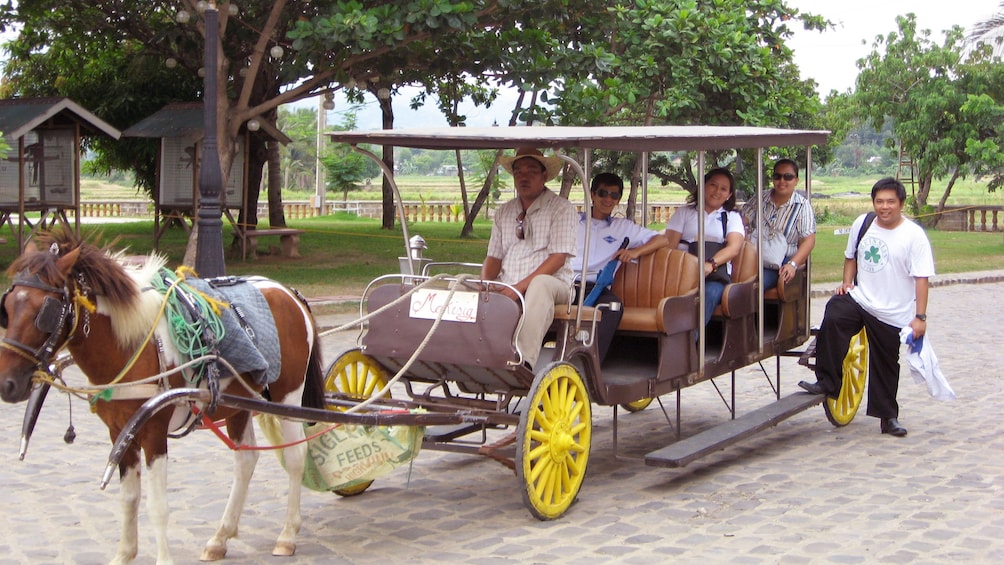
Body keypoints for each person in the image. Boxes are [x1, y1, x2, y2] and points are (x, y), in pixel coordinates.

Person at [798, 177, 935, 437]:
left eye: (890, 202)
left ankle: (888, 416)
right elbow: (851, 257)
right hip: (861, 297)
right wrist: (847, 283)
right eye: (880, 201)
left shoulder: (914, 236)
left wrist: (920, 317)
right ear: (873, 202)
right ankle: (828, 381)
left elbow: (922, 278)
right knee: (835, 314)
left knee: (886, 362)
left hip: (891, 309)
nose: (885, 207)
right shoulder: (863, 224)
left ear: (901, 204)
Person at [481, 147, 578, 370]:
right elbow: (493, 257)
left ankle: (522, 361)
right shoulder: (504, 211)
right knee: (461, 282)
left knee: (539, 284)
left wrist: (517, 288)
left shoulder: (561, 208)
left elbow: (558, 259)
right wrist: (485, 284)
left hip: (555, 285)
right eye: (518, 172)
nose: (524, 177)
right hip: (509, 284)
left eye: (531, 171)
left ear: (544, 175)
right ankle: (462, 352)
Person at [570, 172, 668, 362]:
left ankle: (591, 363)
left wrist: (635, 252)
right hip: (567, 283)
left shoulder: (623, 227)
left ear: (618, 200)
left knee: (613, 307)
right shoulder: (572, 221)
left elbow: (662, 239)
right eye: (602, 193)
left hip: (595, 288)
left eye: (614, 195)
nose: (608, 199)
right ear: (592, 194)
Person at [664, 167, 745, 326]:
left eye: (723, 189)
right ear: (703, 186)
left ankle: (692, 341)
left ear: (729, 195)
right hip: (683, 274)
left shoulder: (731, 217)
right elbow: (669, 246)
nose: (717, 191)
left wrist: (710, 264)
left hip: (714, 277)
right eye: (713, 185)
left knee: (708, 294)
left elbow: (734, 247)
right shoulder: (684, 213)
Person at [741, 158, 816, 290]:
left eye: (788, 177)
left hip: (782, 262)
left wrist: (793, 264)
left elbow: (809, 240)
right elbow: (741, 222)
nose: (782, 181)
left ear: (796, 181)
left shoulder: (802, 206)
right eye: (777, 176)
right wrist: (745, 238)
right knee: (735, 280)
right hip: (753, 256)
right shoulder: (760, 198)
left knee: (754, 285)